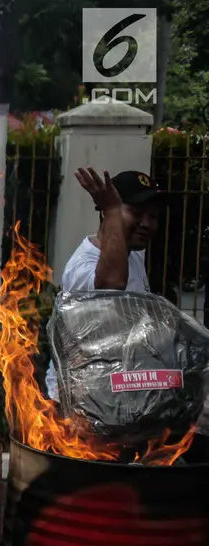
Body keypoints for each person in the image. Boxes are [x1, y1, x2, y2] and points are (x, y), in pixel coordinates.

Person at [44, 169, 166, 402]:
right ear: (106, 215)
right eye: (136, 213)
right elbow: (112, 285)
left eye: (153, 217)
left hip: (112, 400)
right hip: (74, 408)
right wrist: (111, 209)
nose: (147, 224)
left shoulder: (133, 255)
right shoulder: (83, 265)